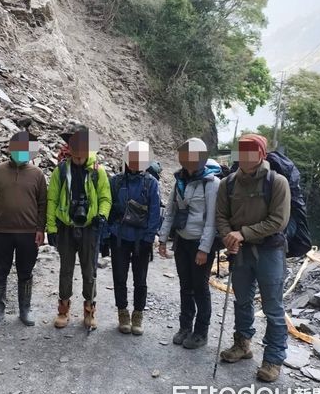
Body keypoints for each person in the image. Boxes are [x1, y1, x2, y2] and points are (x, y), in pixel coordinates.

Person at [216, 134, 290, 383]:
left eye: (251, 150)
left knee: (273, 307)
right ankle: (242, 344)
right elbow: (221, 216)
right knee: (242, 300)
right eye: (242, 150)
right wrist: (229, 238)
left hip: (270, 251)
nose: (246, 156)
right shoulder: (227, 184)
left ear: (262, 154)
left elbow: (278, 221)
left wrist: (242, 233)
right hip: (241, 251)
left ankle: (273, 358)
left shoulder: (276, 182)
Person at [0, 132, 47, 327]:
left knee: (25, 272)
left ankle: (25, 309)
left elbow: (43, 204)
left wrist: (41, 229)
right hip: (2, 232)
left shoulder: (37, 174)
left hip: (28, 233)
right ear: (10, 148)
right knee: (0, 271)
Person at [158, 138, 220, 349]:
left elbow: (212, 220)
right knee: (186, 286)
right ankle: (185, 327)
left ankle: (201, 332)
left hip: (200, 244)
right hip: (182, 242)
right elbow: (170, 211)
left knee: (200, 288)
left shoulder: (212, 184)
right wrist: (163, 238)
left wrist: (204, 249)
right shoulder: (180, 181)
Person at [46, 127, 112, 329]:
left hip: (89, 228)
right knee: (65, 270)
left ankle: (89, 311)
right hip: (66, 226)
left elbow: (105, 197)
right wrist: (51, 228)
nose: (77, 154)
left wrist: (102, 215)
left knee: (89, 271)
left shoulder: (97, 171)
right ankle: (63, 310)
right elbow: (52, 199)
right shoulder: (60, 170)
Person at [107, 141, 160, 335]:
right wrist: (108, 231)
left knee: (140, 279)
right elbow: (109, 206)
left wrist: (149, 237)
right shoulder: (116, 181)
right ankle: (123, 313)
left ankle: (138, 315)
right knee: (119, 277)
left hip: (141, 240)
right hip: (119, 237)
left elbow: (155, 211)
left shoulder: (151, 183)